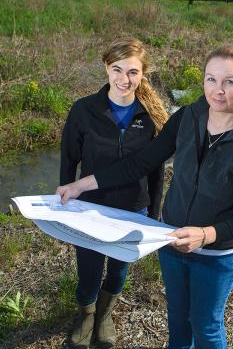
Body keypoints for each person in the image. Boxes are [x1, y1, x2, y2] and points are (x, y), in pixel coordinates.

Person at [57, 45, 233, 349]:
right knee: (177, 321)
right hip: (171, 240)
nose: (218, 90)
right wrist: (81, 185)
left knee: (206, 326)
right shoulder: (188, 116)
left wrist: (205, 235)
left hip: (216, 255)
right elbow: (141, 162)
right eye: (211, 79)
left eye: (229, 81)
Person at [60, 37, 168, 349]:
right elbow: (69, 159)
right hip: (90, 209)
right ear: (106, 68)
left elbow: (156, 170)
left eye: (133, 72)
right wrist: (62, 206)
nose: (124, 79)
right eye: (117, 69)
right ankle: (86, 314)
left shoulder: (150, 116)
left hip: (133, 210)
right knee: (90, 272)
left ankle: (105, 313)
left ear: (143, 74)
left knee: (119, 270)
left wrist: (155, 215)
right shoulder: (84, 110)